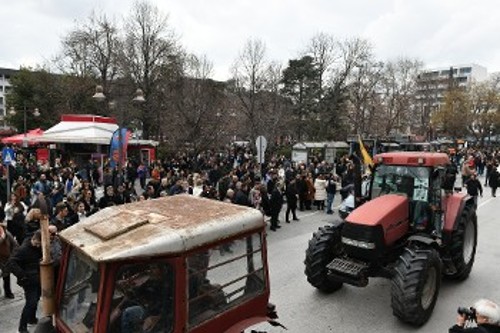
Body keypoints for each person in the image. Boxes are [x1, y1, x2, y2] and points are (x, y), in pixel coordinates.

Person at [6, 231, 43, 333]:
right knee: (30, 302)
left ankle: (32, 318)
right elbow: (11, 263)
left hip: (37, 278)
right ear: (34, 239)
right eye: (37, 243)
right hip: (28, 280)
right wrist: (22, 275)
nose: (38, 245)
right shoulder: (23, 250)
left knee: (36, 298)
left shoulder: (37, 247)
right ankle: (22, 327)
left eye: (40, 244)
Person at [0, 222, 17, 299]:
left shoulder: (6, 233)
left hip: (6, 258)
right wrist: (2, 238)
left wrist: (12, 256)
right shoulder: (3, 235)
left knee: (6, 276)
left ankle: (8, 292)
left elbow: (14, 244)